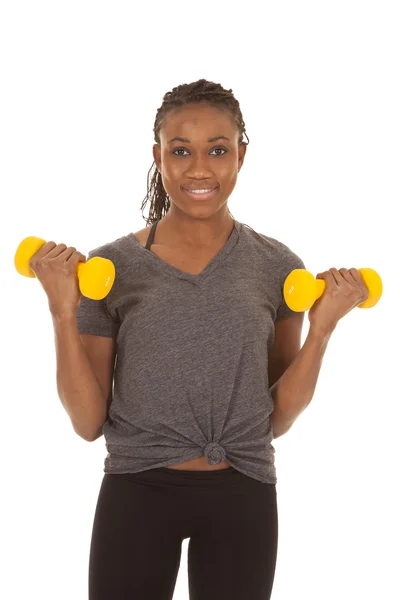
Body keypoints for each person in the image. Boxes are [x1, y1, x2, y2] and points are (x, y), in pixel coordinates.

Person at [29, 79, 369, 600]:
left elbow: (275, 419)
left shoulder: (278, 267)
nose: (200, 168)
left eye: (218, 149)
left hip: (242, 491)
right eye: (180, 150)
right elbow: (86, 423)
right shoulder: (110, 267)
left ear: (241, 156)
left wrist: (322, 327)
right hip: (138, 488)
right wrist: (61, 307)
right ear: (157, 156)